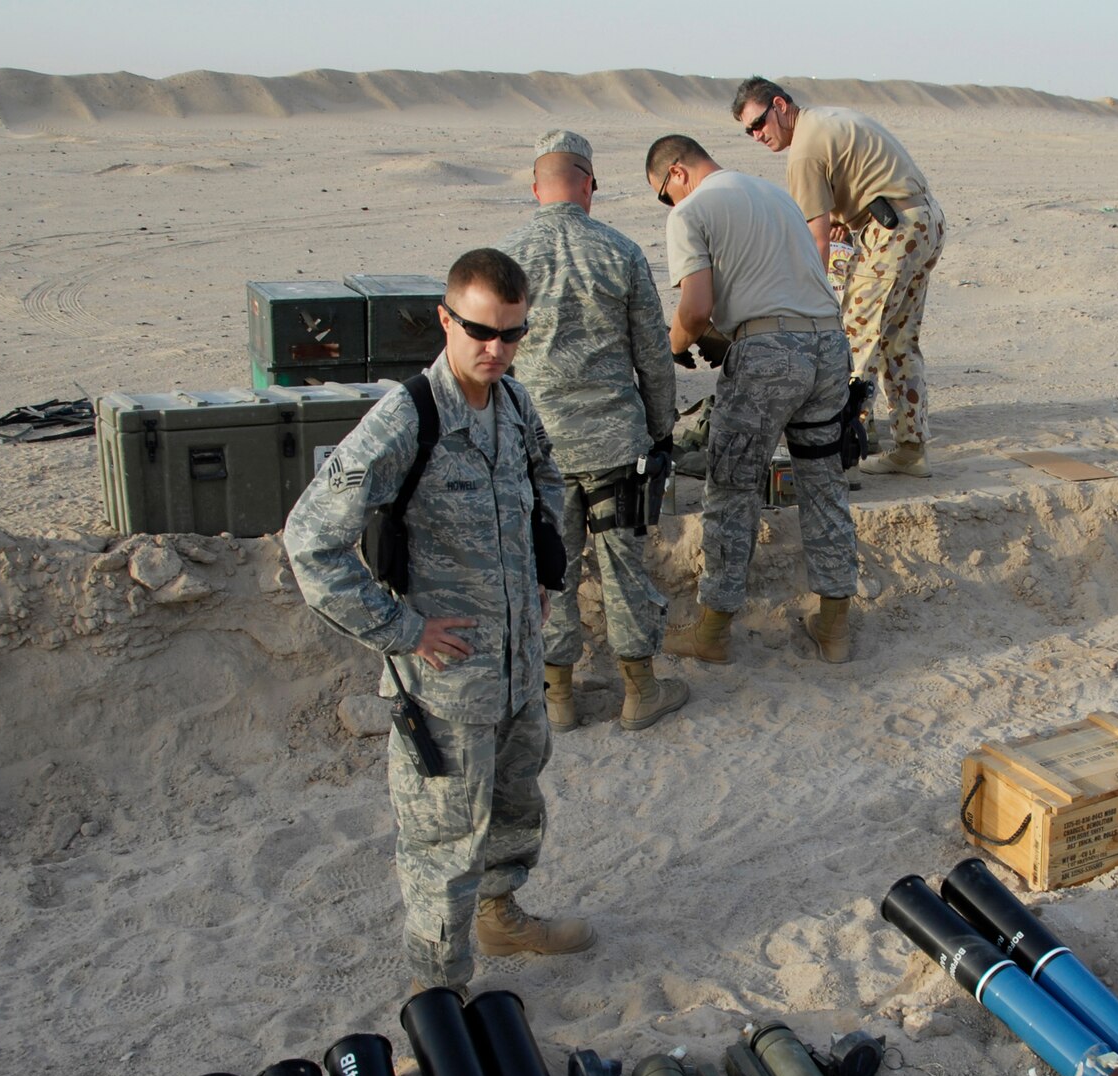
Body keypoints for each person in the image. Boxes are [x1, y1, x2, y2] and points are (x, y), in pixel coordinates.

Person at [284, 248, 593, 993]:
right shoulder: (405, 421)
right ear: (446, 319)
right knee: (444, 847)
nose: (497, 350)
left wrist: (544, 566)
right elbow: (310, 539)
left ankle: (501, 917)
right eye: (482, 331)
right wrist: (400, 629)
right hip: (447, 685)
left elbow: (546, 477)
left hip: (517, 670)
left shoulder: (515, 404)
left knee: (516, 810)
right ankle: (439, 993)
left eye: (514, 334)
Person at [499, 129, 689, 733]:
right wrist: (661, 431)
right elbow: (654, 356)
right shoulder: (619, 251)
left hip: (539, 449)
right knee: (624, 568)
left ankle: (557, 698)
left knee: (547, 568)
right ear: (589, 186)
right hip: (615, 447)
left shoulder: (507, 259)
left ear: (536, 189)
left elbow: (490, 355)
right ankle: (640, 692)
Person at [644, 134, 860, 664]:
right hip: (829, 345)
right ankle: (834, 630)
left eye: (663, 194)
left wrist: (671, 349)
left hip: (768, 356)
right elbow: (781, 279)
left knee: (732, 486)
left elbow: (694, 310)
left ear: (676, 173)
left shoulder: (691, 211)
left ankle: (712, 633)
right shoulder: (776, 195)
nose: (669, 205)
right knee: (823, 482)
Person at [731, 77, 945, 479]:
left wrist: (807, 301)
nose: (757, 135)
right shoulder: (827, 119)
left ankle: (837, 453)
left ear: (779, 104)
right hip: (922, 222)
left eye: (759, 123)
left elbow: (814, 242)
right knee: (898, 341)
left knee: (850, 342)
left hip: (893, 232)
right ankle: (910, 448)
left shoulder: (804, 151)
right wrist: (847, 222)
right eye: (748, 131)